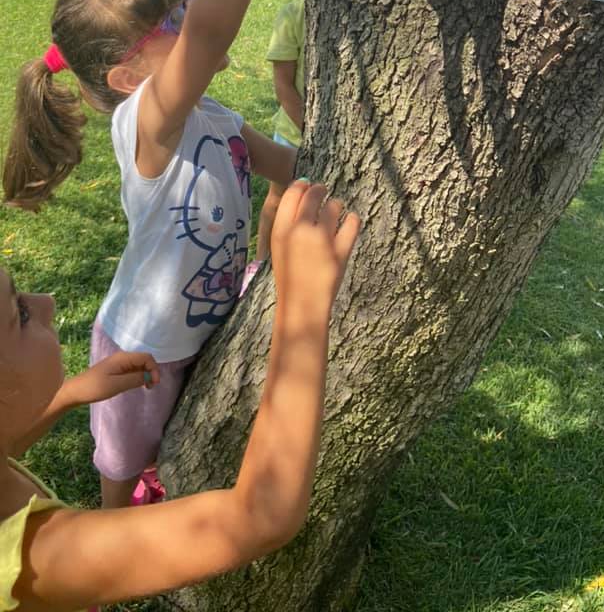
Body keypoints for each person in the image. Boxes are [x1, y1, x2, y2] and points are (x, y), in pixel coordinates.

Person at [2, 0, 298, 509]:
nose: (194, 19)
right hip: (145, 343)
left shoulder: (217, 118)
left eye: (186, 4)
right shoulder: (148, 125)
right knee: (124, 455)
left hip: (210, 318)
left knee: (184, 435)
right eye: (174, 22)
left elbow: (291, 165)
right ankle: (110, 525)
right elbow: (217, 25)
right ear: (127, 79)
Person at [0, 179, 361, 612]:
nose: (46, 303)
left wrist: (68, 395)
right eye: (18, 313)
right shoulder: (36, 558)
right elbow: (263, 515)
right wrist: (303, 305)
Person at [254, 0, 305, 262]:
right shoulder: (293, 13)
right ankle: (260, 260)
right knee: (278, 196)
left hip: (336, 137)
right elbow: (283, 86)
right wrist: (310, 131)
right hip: (292, 134)